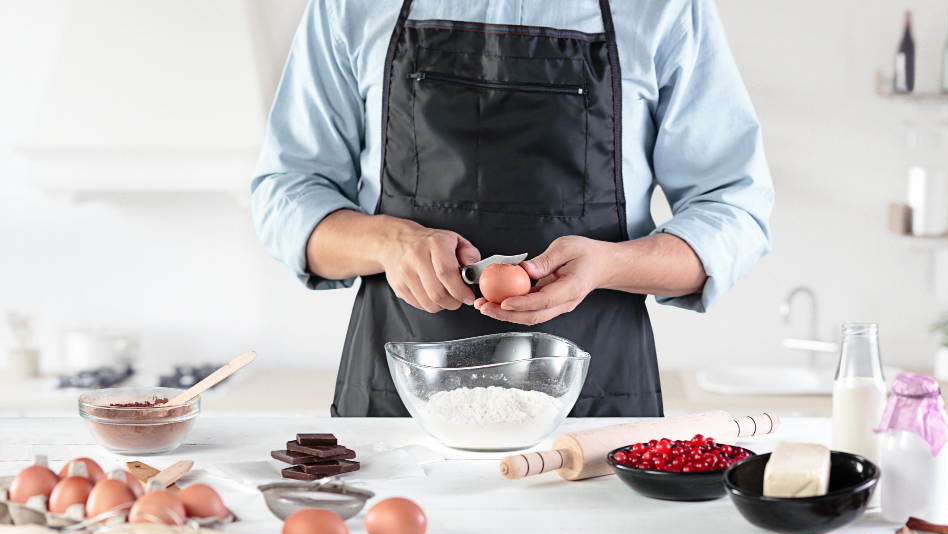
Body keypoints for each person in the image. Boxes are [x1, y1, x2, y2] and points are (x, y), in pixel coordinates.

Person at [251, 0, 773, 418]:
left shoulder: (665, 8)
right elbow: (287, 193)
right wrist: (389, 244)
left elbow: (734, 210)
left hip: (594, 405)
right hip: (401, 403)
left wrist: (610, 264)